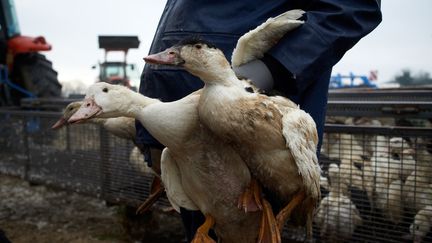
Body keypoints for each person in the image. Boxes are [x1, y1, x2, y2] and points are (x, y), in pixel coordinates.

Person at [136, 0, 382, 241]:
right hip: (188, 131)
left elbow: (354, 6)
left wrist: (273, 68)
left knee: (246, 225)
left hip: (251, 119)